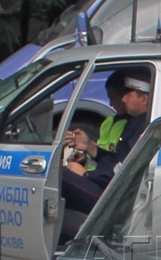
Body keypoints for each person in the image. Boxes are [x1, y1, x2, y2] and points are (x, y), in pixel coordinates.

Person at [63, 67, 153, 214]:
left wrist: (85, 175)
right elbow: (118, 160)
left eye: (128, 94)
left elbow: (122, 171)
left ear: (144, 99)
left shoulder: (143, 128)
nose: (123, 99)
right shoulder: (133, 123)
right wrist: (90, 147)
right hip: (109, 188)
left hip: (114, 198)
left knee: (60, 176)